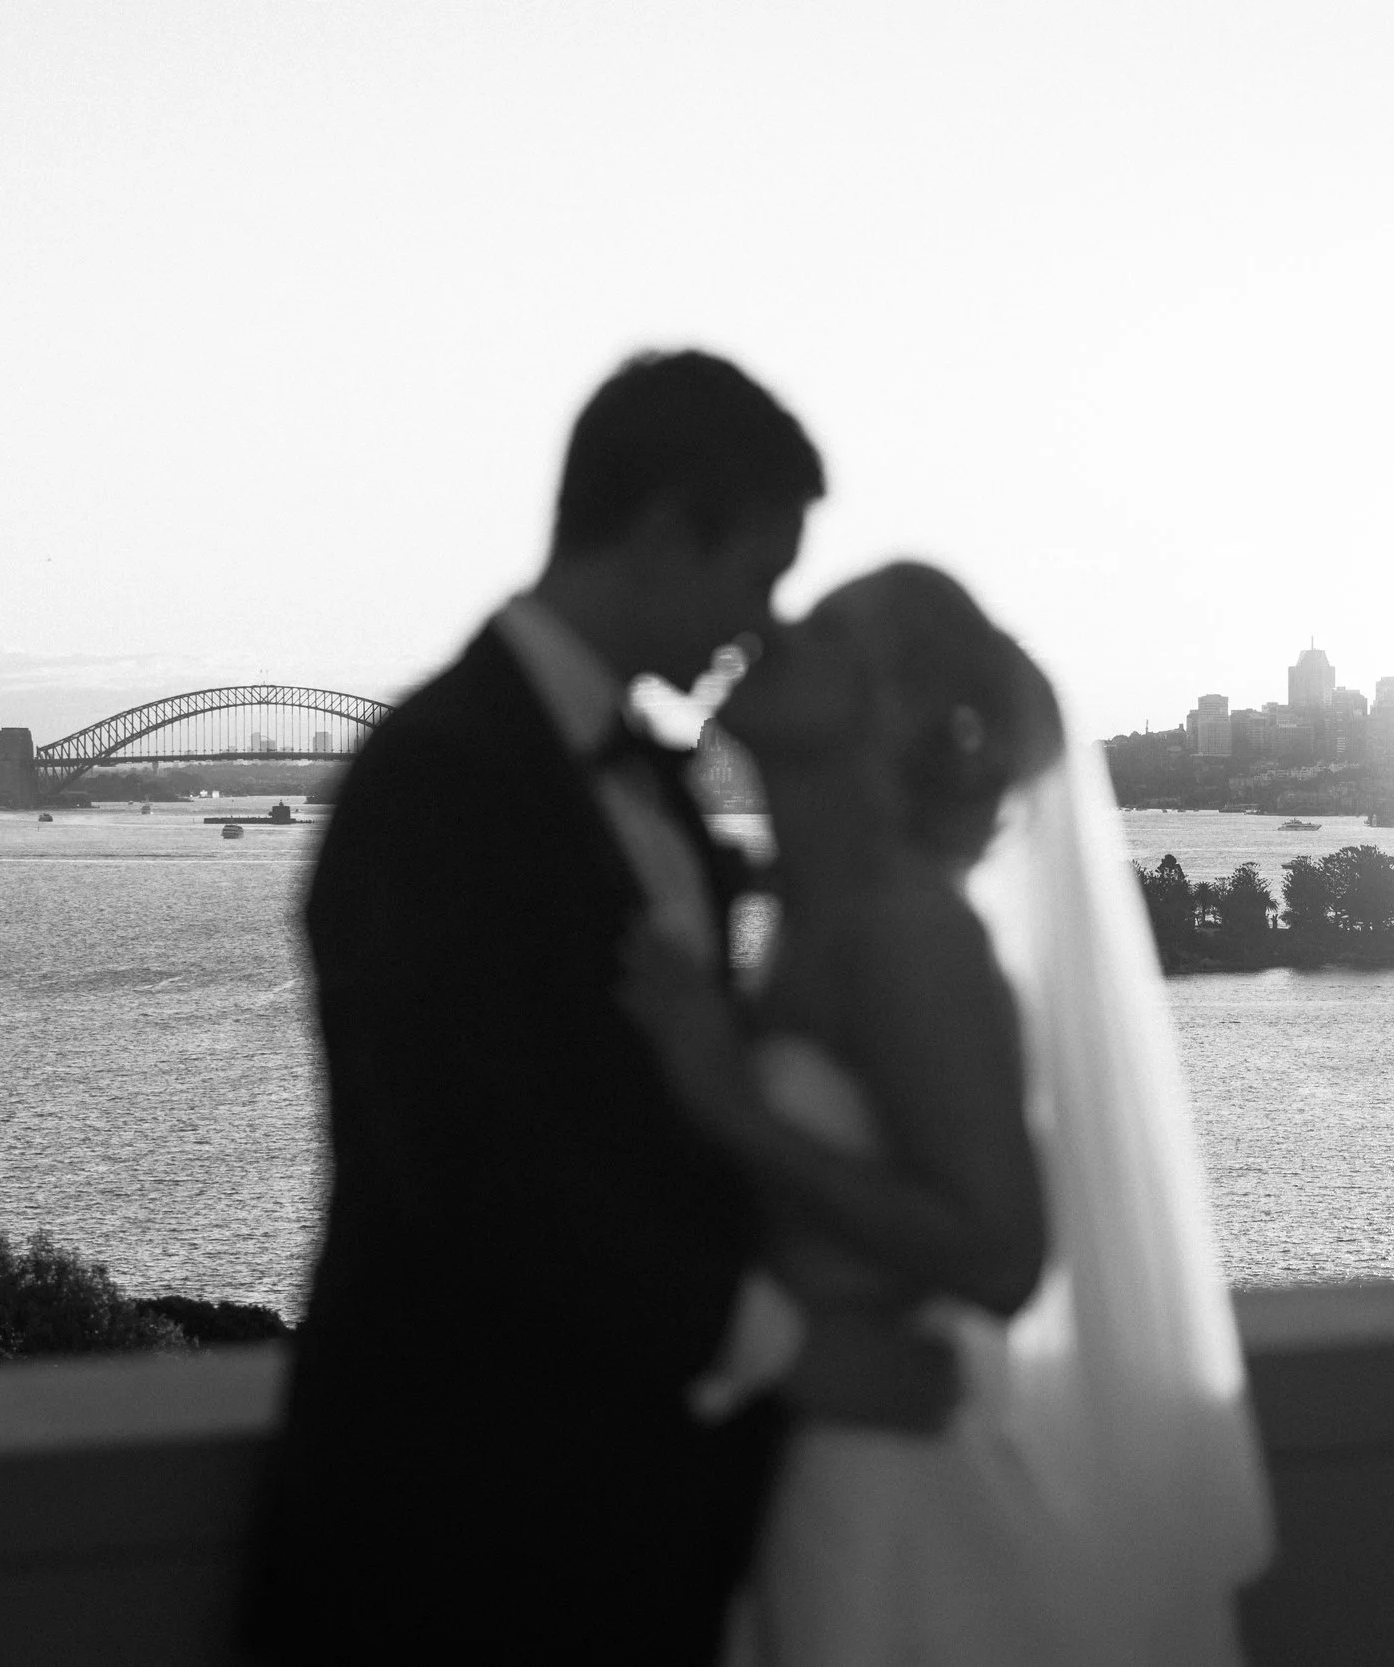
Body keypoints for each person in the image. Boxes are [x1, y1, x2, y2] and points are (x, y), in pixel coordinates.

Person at [240, 352, 959, 1666]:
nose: (761, 621)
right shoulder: (435, 781)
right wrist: (789, 1345)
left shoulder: (659, 790)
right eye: (757, 569)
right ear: (670, 528)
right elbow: (468, 1163)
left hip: (640, 1557)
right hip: (450, 1556)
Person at [620, 562, 1275, 1664]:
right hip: (800, 1452)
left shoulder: (909, 933)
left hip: (886, 1481)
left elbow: (1001, 1250)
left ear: (887, 708)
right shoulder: (788, 919)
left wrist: (732, 1107)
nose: (773, 628)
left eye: (823, 629)